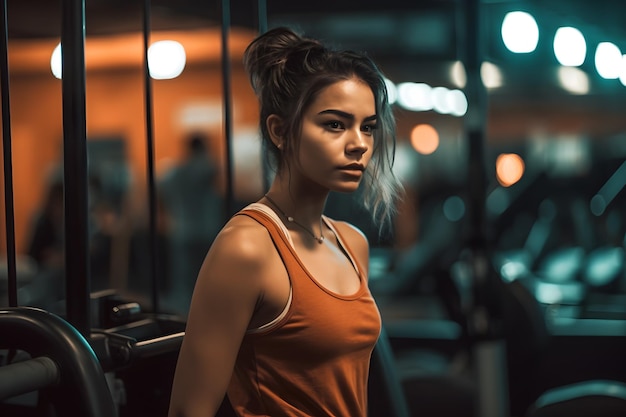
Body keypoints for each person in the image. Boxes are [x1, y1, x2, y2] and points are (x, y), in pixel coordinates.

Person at [168, 26, 402, 417]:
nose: (359, 143)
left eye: (368, 126)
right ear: (280, 131)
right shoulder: (246, 248)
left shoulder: (351, 243)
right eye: (334, 124)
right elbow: (188, 411)